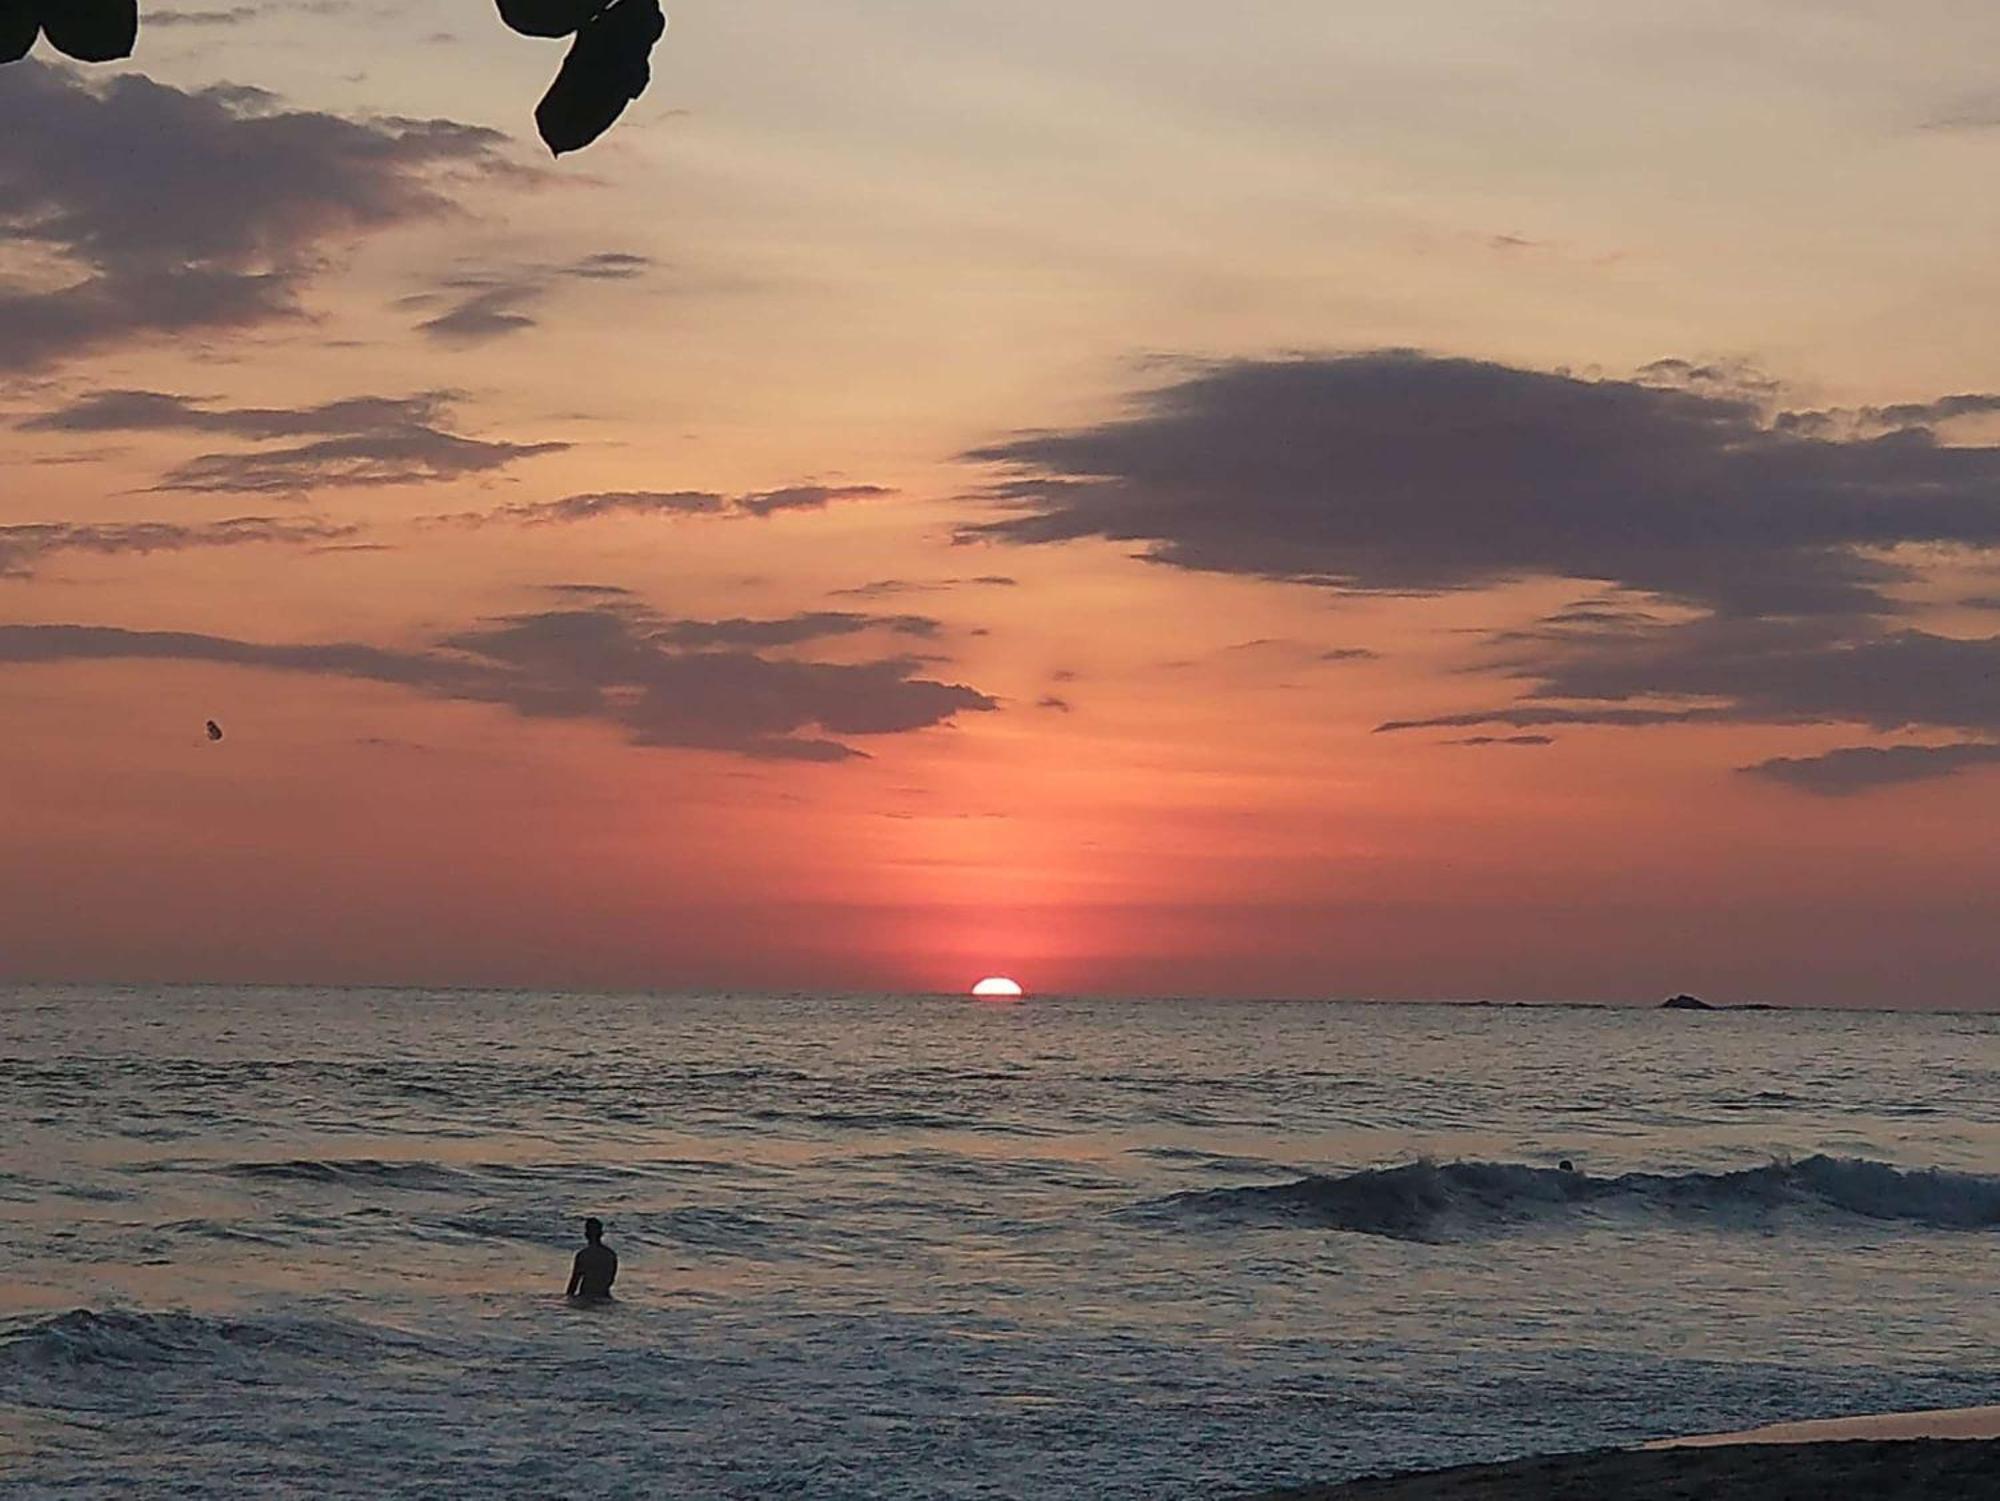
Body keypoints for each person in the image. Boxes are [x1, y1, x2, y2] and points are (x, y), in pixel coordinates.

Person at [565, 1216, 618, 1300]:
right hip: (605, 1297)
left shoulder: (582, 1255)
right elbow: (611, 1280)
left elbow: (574, 1283)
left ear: (586, 1234)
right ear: (601, 1234)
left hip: (586, 1298)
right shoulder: (610, 1255)